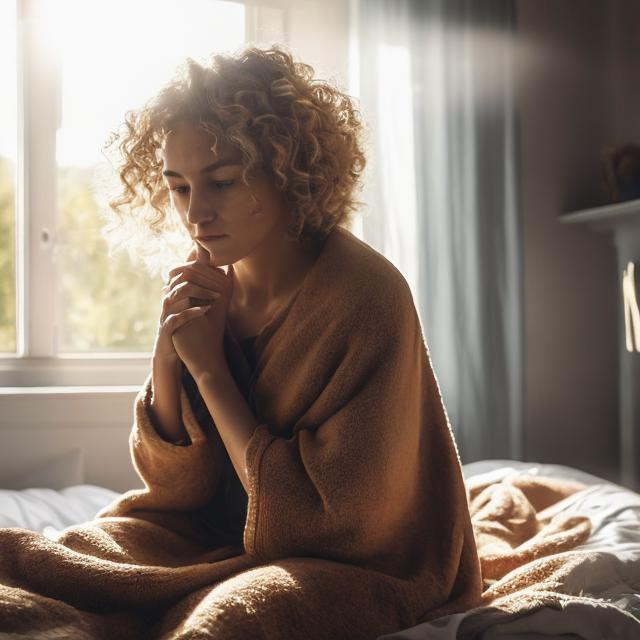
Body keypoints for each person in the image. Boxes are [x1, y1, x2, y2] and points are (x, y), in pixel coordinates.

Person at [0, 46, 482, 639]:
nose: (195, 213)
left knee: (238, 617)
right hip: (205, 534)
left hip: (349, 560)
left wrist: (210, 375)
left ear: (289, 170)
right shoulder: (205, 276)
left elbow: (335, 523)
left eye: (221, 182)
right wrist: (167, 354)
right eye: (178, 188)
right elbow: (175, 488)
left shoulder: (367, 295)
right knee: (33, 563)